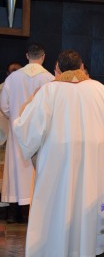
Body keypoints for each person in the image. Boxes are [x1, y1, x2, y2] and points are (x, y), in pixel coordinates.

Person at [12, 49, 104, 256]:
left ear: (57, 69)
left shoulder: (49, 90)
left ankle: (53, 249)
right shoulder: (98, 88)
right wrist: (102, 141)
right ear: (82, 67)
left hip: (57, 157)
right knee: (86, 197)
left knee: (56, 202)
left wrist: (20, 122)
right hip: (91, 156)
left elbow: (28, 127)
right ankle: (85, 249)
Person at [0, 43, 54, 223]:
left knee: (16, 169)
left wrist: (17, 119)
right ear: (43, 57)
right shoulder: (50, 79)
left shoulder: (13, 78)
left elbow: (4, 106)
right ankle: (31, 214)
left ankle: (14, 213)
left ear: (27, 56)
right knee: (36, 170)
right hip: (41, 133)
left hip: (17, 132)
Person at [1, 62, 22, 145]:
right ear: (7, 73)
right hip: (8, 122)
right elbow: (4, 107)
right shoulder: (2, 88)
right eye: (13, 72)